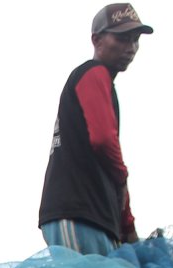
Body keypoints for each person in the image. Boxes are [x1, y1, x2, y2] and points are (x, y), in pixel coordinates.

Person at [38, 4, 153, 255]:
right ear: (97, 40)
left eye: (135, 40)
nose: (130, 48)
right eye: (122, 38)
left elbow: (110, 166)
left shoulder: (103, 84)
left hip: (97, 219)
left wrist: (127, 225)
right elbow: (103, 140)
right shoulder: (93, 73)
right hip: (79, 213)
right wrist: (122, 175)